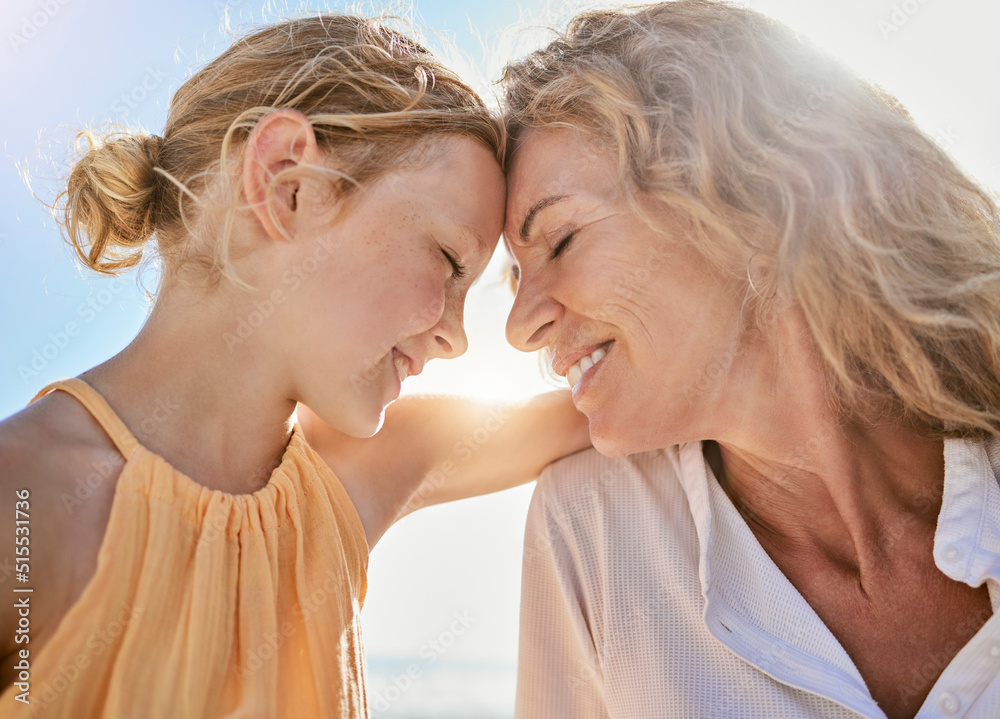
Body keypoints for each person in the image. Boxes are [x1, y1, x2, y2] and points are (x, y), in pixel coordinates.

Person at [0, 14, 588, 718]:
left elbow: (607, 406)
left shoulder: (355, 474)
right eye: (448, 260)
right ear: (288, 183)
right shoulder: (24, 500)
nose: (458, 338)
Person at [500, 2, 1000, 718]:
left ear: (749, 198)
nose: (522, 324)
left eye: (561, 239)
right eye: (515, 276)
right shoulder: (591, 529)